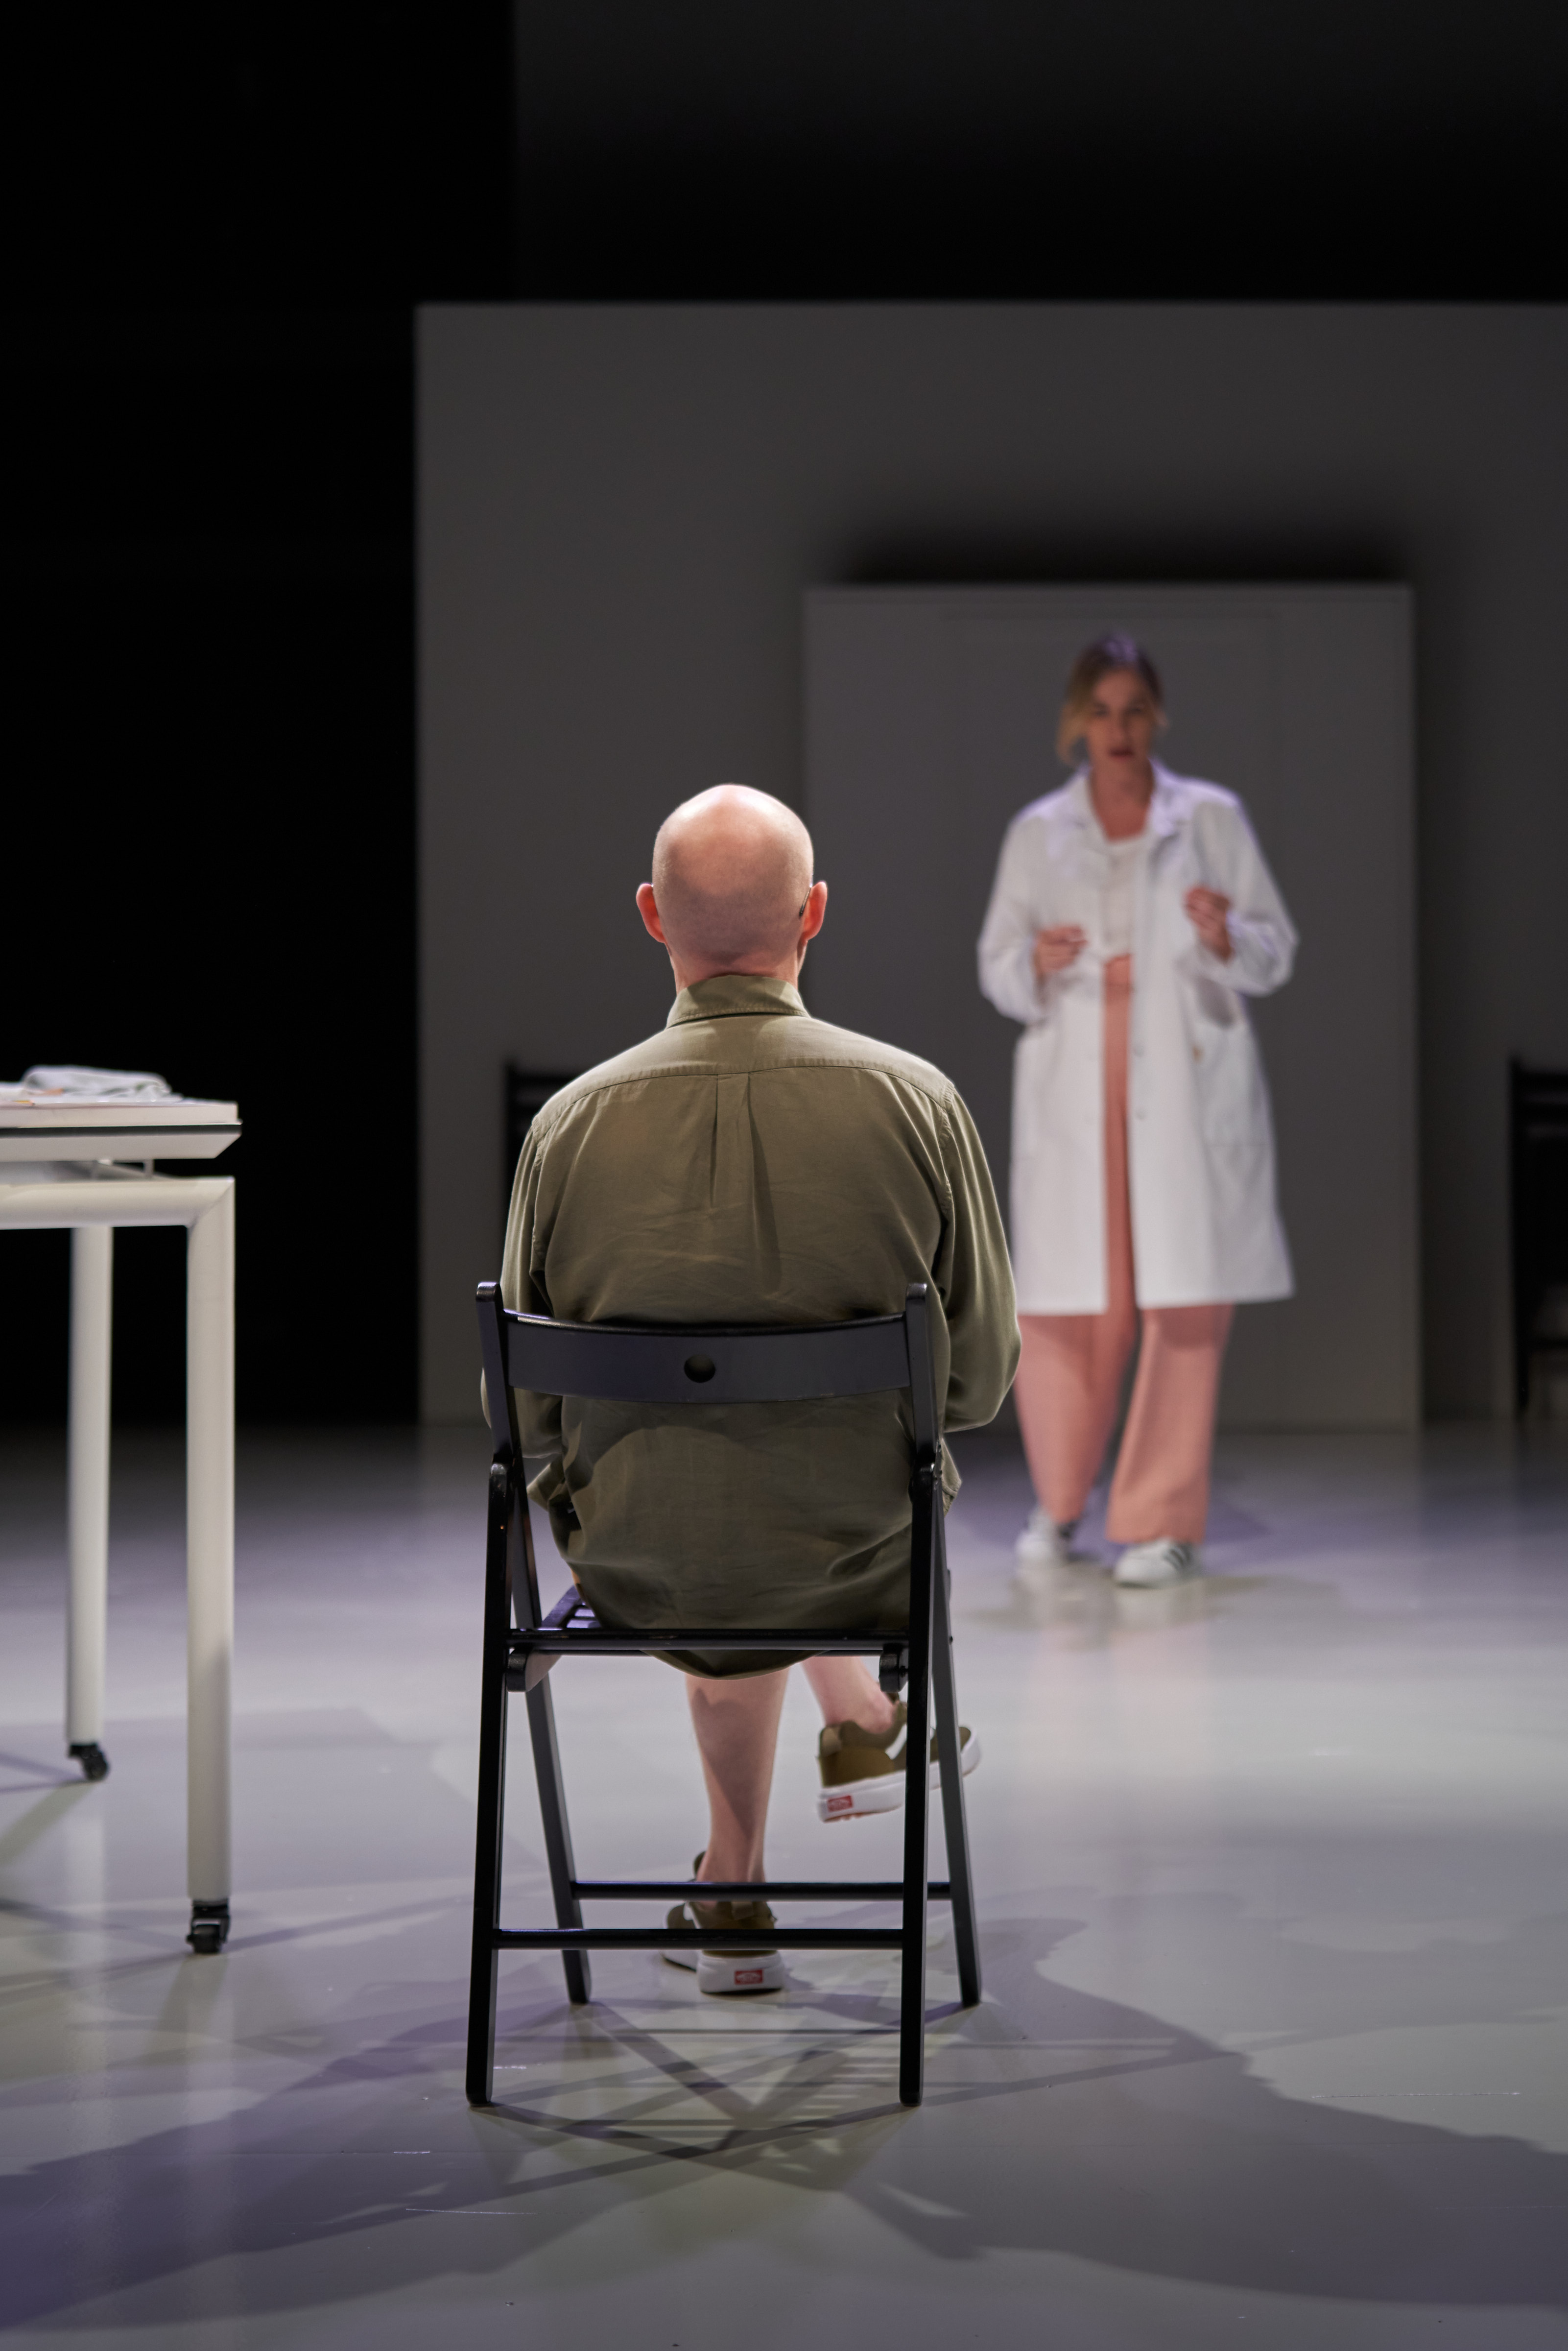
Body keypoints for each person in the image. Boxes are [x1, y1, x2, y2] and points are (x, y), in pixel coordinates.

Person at [499, 785, 1018, 1993]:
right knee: (784, 1502)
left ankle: (736, 1885)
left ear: (650, 916)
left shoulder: (568, 1127)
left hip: (640, 1569)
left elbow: (519, 1415)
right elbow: (980, 1382)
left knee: (711, 1513)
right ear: (813, 913)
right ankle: (863, 1730)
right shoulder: (916, 1103)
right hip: (861, 1559)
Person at [976, 635, 1296, 1591]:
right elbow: (995, 964)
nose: (1117, 730)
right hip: (1079, 1072)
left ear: (1155, 718)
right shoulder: (1037, 832)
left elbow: (1273, 948)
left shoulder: (1209, 819)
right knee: (1069, 1308)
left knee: (1183, 1305)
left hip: (1179, 1076)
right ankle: (1059, 1503)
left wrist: (1226, 937)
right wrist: (1032, 964)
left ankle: (1160, 1522)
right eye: (1099, 711)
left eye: (1132, 711)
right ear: (1075, 722)